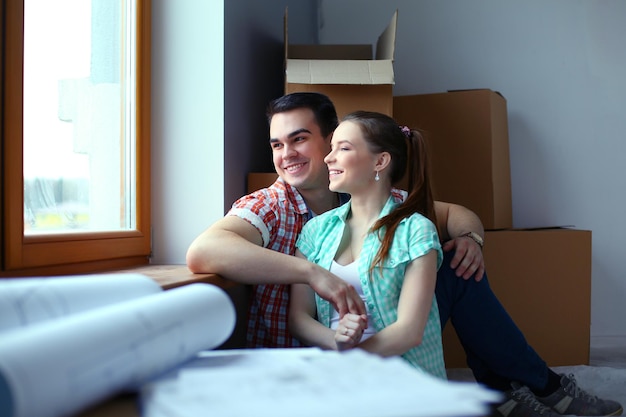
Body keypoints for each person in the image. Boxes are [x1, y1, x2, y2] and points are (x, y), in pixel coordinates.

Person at [186, 92, 622, 417]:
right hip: (310, 353)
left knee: (455, 261)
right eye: (277, 145)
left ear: (331, 141)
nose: (286, 155)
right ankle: (526, 388)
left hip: (379, 344)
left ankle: (512, 390)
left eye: (299, 140)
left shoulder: (381, 202)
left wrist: (471, 239)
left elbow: (460, 215)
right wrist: (313, 274)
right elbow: (204, 251)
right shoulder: (272, 206)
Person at [289, 111, 447, 380]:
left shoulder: (416, 231)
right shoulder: (315, 231)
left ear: (380, 161)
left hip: (404, 375)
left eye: (344, 148)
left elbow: (410, 331)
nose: (329, 158)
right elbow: (299, 318)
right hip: (336, 372)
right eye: (331, 149)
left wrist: (353, 360)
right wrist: (337, 340)